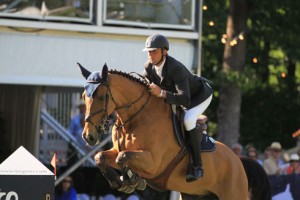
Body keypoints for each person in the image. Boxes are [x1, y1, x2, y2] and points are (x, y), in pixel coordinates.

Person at [142, 34, 213, 182]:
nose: (151, 55)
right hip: (180, 98)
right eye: (149, 51)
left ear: (164, 51)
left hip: (199, 96)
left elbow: (185, 101)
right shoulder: (149, 66)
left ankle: (197, 166)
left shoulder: (176, 68)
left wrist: (161, 93)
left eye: (154, 51)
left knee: (188, 120)